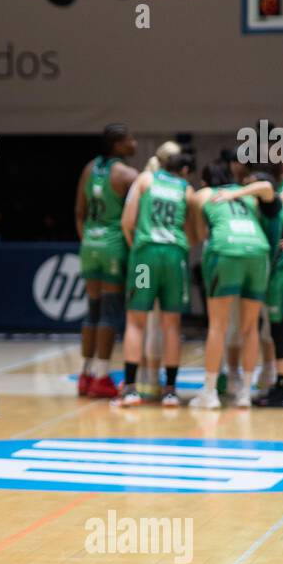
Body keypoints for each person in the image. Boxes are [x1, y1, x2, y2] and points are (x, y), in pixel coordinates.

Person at [211, 176, 283, 408]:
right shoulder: (280, 208)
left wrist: (234, 194)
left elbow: (265, 187)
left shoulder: (271, 202)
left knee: (280, 330)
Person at [188, 162, 273, 410]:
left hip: (225, 249)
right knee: (250, 328)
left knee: (218, 326)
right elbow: (268, 189)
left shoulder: (202, 194)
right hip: (258, 250)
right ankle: (245, 392)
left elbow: (201, 235)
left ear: (205, 182)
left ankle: (210, 392)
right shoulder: (250, 197)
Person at [117, 151, 195, 408]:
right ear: (184, 171)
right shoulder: (187, 189)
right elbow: (192, 234)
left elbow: (127, 221)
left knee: (136, 321)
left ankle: (130, 389)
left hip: (146, 254)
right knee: (172, 324)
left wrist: (137, 250)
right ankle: (170, 391)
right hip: (174, 256)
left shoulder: (145, 180)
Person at [74, 125, 139, 398]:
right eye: (129, 140)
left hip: (89, 244)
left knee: (92, 310)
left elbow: (79, 212)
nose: (134, 144)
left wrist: (88, 239)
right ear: (117, 145)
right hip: (113, 247)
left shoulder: (89, 169)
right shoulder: (127, 174)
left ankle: (85, 374)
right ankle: (102, 376)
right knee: (110, 311)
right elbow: (135, 217)